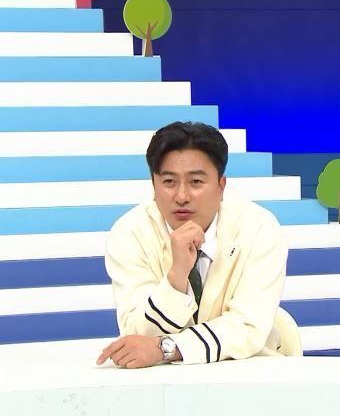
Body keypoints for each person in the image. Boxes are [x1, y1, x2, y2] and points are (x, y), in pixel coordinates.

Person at [96, 121, 288, 368]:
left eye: (196, 182)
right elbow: (136, 333)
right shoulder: (129, 233)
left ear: (221, 186)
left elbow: (247, 327)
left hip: (247, 370)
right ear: (153, 185)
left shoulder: (258, 228)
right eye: (169, 182)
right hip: (160, 380)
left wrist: (167, 349)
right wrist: (177, 276)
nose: (182, 196)